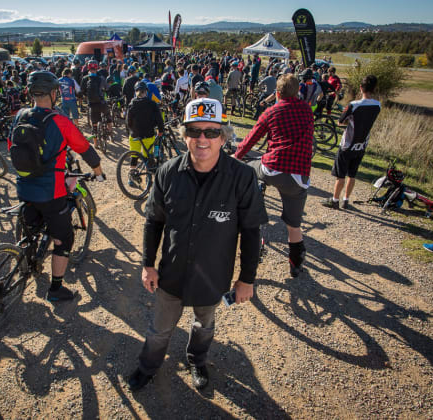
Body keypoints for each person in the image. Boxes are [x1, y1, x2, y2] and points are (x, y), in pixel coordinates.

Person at [127, 97, 267, 392]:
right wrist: (148, 265)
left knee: (204, 324)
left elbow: (252, 231)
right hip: (172, 272)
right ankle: (147, 366)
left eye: (211, 132)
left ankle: (197, 360)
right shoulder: (167, 172)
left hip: (212, 274)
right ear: (184, 135)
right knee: (160, 329)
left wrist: (246, 279)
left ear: (223, 137)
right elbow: (154, 221)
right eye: (194, 131)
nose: (202, 138)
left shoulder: (241, 177)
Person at [11, 71, 106, 302]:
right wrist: (98, 172)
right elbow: (84, 148)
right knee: (64, 237)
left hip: (24, 186)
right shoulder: (59, 121)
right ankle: (55, 289)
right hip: (50, 191)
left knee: (32, 228)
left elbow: (13, 148)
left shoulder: (20, 115)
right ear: (54, 94)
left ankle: (29, 262)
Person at [234, 74, 314, 278]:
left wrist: (234, 157)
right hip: (298, 176)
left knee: (249, 167)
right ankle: (295, 264)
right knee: (294, 226)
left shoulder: (271, 112)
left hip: (273, 167)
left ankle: (252, 199)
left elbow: (250, 141)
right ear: (298, 92)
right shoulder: (307, 110)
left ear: (276, 93)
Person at [322, 75, 381, 210]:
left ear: (361, 88)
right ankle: (346, 200)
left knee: (340, 174)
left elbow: (340, 121)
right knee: (352, 174)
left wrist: (350, 121)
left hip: (348, 143)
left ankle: (335, 200)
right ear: (374, 89)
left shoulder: (354, 105)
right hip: (362, 144)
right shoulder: (378, 105)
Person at [125, 81, 164, 187]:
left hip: (135, 135)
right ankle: (148, 178)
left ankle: (131, 178)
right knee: (148, 157)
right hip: (148, 134)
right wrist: (160, 130)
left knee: (134, 156)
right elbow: (159, 119)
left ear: (136, 92)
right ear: (146, 92)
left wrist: (132, 130)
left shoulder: (132, 103)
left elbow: (128, 121)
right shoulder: (152, 104)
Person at [81, 60, 112, 141]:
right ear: (97, 67)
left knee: (94, 123)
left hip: (92, 104)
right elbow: (107, 88)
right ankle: (110, 131)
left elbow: (82, 91)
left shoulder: (85, 79)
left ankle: (95, 143)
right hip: (101, 103)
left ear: (88, 68)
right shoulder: (101, 78)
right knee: (108, 115)